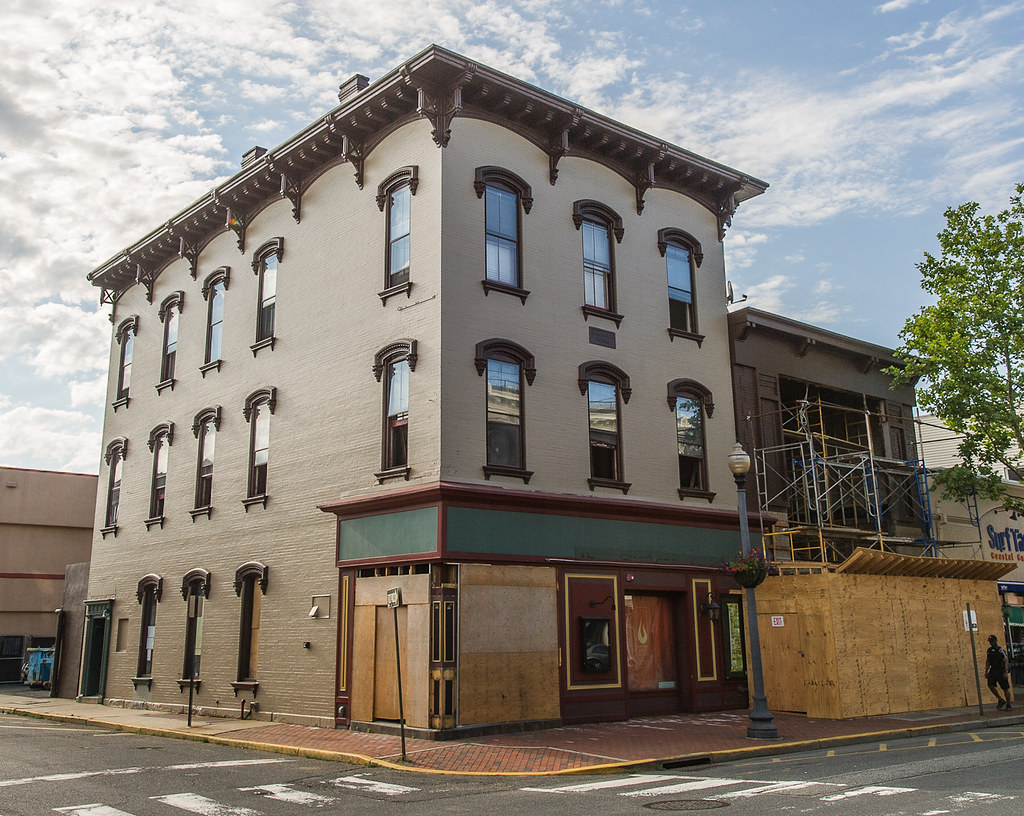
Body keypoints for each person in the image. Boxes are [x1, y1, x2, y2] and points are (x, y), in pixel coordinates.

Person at [985, 634, 1013, 711]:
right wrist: (986, 671)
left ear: (995, 641)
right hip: (993, 670)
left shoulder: (1000, 650)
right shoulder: (989, 651)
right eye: (990, 641)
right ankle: (1000, 699)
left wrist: (1006, 672)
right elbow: (988, 661)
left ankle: (1008, 704)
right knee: (990, 685)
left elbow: (1006, 660)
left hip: (1001, 670)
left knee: (1005, 688)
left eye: (992, 641)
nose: (991, 643)